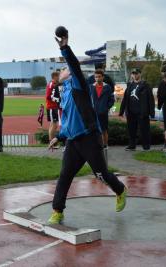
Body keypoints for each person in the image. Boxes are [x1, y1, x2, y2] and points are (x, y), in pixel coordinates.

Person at [47, 31, 127, 225]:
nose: (63, 71)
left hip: (89, 137)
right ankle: (58, 210)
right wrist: (59, 136)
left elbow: (74, 65)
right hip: (74, 141)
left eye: (65, 69)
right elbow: (67, 121)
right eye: (62, 70)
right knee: (65, 175)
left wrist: (65, 47)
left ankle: (120, 190)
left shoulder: (79, 85)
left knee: (101, 174)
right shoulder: (64, 93)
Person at [119, 68, 155, 151]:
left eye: (136, 73)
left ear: (140, 74)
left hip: (142, 112)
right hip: (131, 112)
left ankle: (146, 146)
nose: (135, 75)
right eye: (133, 74)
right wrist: (121, 111)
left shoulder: (145, 85)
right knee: (131, 130)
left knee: (144, 130)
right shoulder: (129, 85)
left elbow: (150, 99)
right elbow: (125, 99)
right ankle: (132, 145)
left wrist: (151, 112)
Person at [90, 69, 115, 148]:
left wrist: (106, 107)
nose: (97, 78)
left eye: (99, 77)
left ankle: (105, 145)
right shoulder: (91, 87)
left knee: (104, 130)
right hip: (93, 112)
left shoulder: (107, 87)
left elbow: (112, 99)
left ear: (103, 77)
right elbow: (87, 98)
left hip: (103, 112)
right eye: (96, 77)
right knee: (94, 130)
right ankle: (96, 144)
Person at [45, 71, 61, 148]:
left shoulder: (54, 84)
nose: (59, 77)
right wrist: (58, 100)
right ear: (55, 76)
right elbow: (48, 96)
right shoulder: (51, 84)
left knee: (53, 125)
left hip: (54, 107)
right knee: (54, 125)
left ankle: (52, 143)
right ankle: (51, 143)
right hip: (52, 107)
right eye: (58, 76)